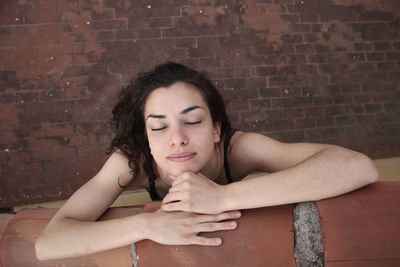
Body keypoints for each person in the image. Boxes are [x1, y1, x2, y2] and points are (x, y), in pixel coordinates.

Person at [35, 62, 378, 260]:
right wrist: (147, 226)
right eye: (159, 126)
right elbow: (50, 242)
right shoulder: (133, 162)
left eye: (193, 120)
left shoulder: (238, 149)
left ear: (216, 130)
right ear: (146, 135)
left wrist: (223, 197)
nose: (177, 137)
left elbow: (357, 166)